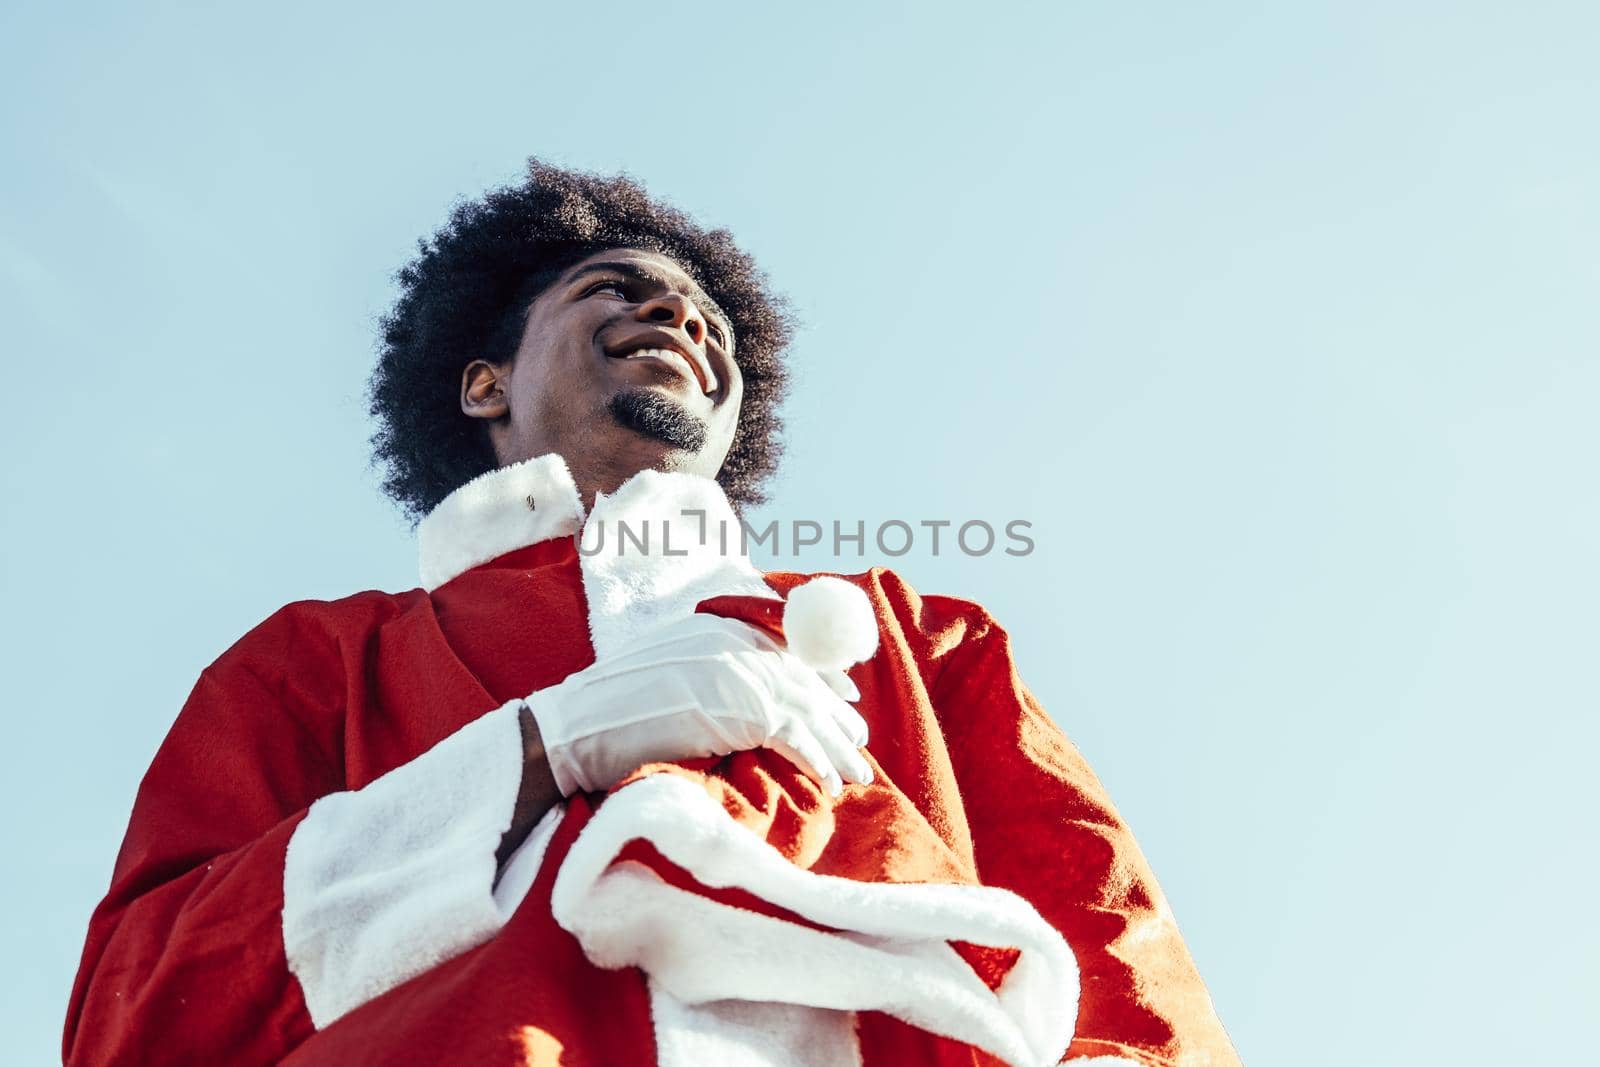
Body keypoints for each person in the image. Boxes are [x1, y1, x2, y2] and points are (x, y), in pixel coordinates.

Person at [64, 160, 1240, 1067]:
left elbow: (1124, 977)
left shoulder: (930, 643)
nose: (679, 315)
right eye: (614, 289)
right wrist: (540, 749)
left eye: (708, 322)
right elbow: (136, 1015)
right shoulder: (309, 663)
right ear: (486, 381)